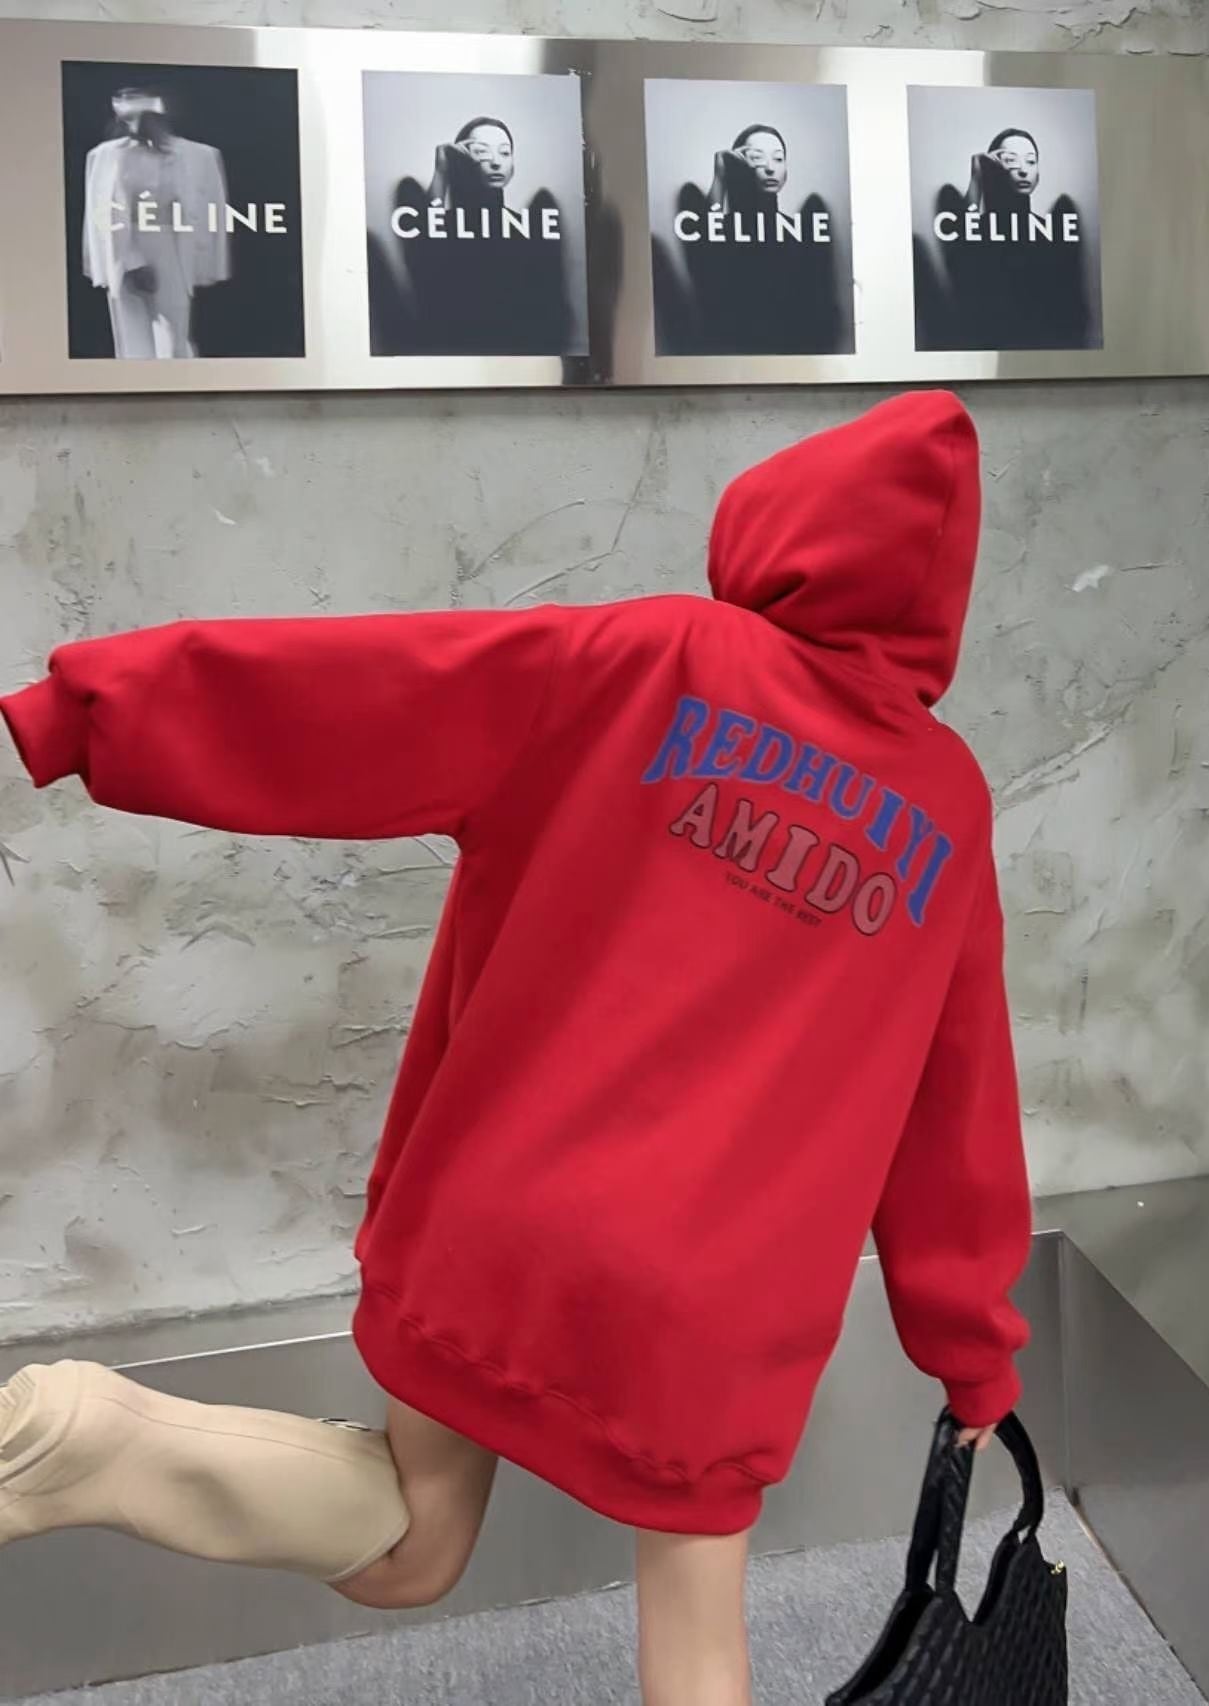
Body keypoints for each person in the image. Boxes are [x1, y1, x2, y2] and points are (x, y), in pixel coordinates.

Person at [0, 391, 1030, 1706]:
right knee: (698, 1644)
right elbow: (956, 1120)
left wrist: (97, 709)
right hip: (711, 1312)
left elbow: (372, 696)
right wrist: (972, 1355)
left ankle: (92, 1435)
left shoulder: (650, 657)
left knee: (411, 1540)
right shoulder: (944, 804)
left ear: (780, 535)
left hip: (503, 1217)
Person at [368, 113, 571, 357]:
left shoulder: (529, 230)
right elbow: (428, 231)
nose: (495, 162)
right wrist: (442, 172)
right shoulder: (440, 233)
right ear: (460, 161)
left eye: (505, 152)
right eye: (482, 152)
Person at [652, 123, 846, 357]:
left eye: (778, 158)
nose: (770, 168)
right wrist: (720, 179)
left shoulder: (802, 234)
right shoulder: (718, 240)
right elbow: (707, 237)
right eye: (756, 158)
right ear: (737, 166)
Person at [913, 125, 1097, 352]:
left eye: (1031, 161)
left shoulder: (1053, 236)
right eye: (1010, 161)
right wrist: (976, 183)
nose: (1023, 170)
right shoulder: (972, 238)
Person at [82, 85, 231, 360]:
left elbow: (205, 207)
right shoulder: (108, 156)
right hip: (125, 244)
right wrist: (131, 261)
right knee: (133, 337)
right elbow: (104, 212)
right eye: (128, 117)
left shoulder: (197, 155)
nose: (136, 124)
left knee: (174, 334)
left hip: (171, 244)